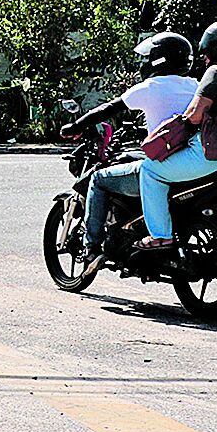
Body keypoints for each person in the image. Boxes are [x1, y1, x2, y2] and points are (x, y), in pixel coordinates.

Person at [60, 32, 199, 261]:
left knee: (99, 179)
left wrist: (75, 126)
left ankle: (91, 246)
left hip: (165, 165)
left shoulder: (151, 87)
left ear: (157, 59)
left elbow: (107, 109)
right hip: (191, 163)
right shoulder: (195, 85)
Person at [135, 18, 217, 249]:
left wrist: (175, 126)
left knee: (151, 171)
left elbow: (195, 114)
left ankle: (160, 235)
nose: (204, 56)